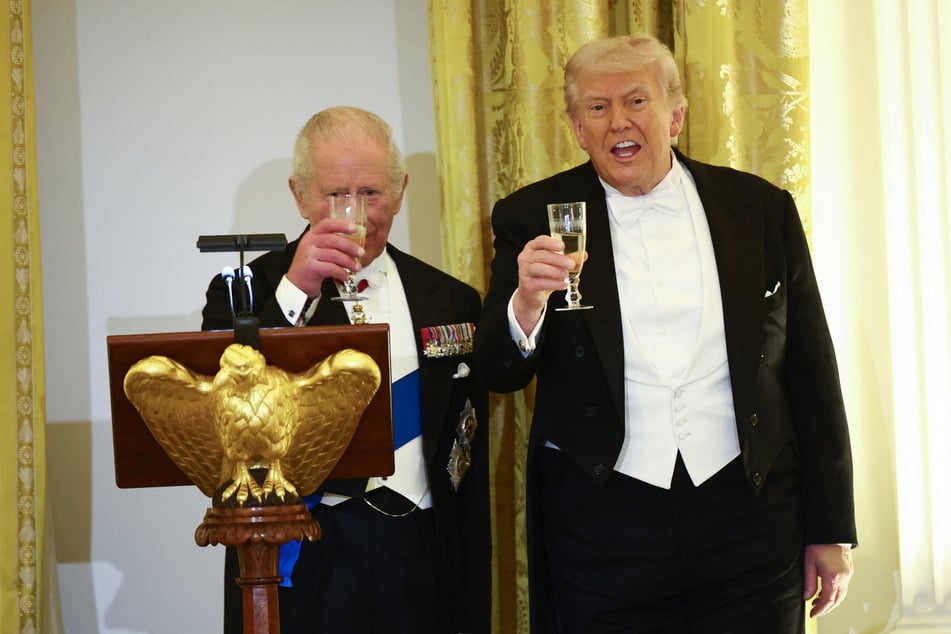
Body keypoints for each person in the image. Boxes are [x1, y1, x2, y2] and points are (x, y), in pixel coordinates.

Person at [473, 33, 856, 633]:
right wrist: (525, 303)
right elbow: (498, 370)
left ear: (675, 114)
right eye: (597, 108)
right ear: (576, 126)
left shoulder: (758, 209)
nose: (618, 121)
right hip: (604, 526)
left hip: (750, 517)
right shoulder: (530, 217)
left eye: (636, 100)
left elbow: (811, 369)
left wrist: (831, 528)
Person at [202, 106, 490, 634]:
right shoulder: (246, 291)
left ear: (401, 191)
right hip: (299, 555)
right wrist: (296, 292)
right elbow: (222, 408)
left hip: (418, 553)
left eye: (372, 193)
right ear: (299, 195)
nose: (355, 211)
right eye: (336, 194)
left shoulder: (452, 299)